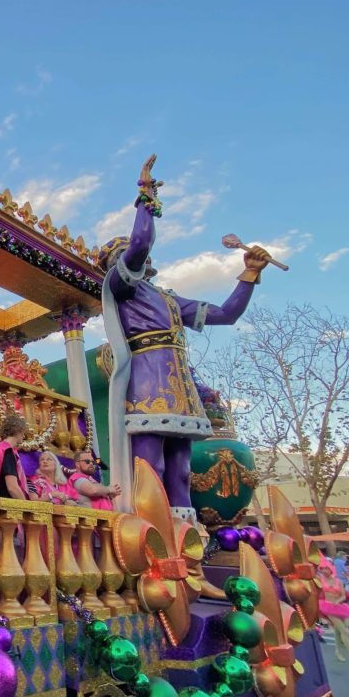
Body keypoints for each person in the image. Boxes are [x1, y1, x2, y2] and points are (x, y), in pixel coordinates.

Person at [100, 155, 273, 518]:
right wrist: (146, 195)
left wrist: (250, 274)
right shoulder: (121, 288)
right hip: (147, 388)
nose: (132, 257)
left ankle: (185, 535)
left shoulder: (169, 300)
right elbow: (141, 241)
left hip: (180, 389)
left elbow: (226, 315)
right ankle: (150, 530)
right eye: (123, 254)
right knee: (151, 468)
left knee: (181, 470)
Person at [317, 559, 349, 666]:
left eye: (326, 569)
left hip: (339, 606)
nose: (325, 571)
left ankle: (338, 652)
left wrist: (338, 601)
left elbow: (343, 595)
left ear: (331, 569)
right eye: (323, 569)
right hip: (327, 606)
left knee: (338, 631)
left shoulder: (338, 581)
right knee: (344, 631)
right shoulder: (320, 580)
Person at [0, 415, 30, 499]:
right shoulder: (7, 451)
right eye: (23, 431)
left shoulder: (1, 448)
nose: (24, 435)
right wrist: (27, 507)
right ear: (17, 430)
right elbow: (12, 488)